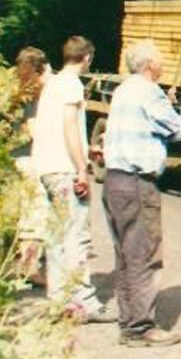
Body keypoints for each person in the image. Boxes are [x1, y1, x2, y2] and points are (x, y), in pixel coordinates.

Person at [103, 39, 181, 348]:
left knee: (126, 255)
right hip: (138, 183)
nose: (163, 65)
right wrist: (176, 109)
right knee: (144, 254)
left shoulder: (124, 89)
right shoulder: (150, 92)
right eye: (161, 60)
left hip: (114, 181)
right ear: (150, 65)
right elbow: (178, 130)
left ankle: (129, 322)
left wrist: (164, 102)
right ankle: (141, 328)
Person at [31, 35, 115, 322]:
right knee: (77, 236)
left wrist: (85, 148)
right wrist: (82, 167)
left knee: (56, 237)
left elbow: (54, 129)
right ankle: (85, 303)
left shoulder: (52, 84)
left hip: (46, 168)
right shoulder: (71, 85)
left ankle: (58, 301)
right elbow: (68, 128)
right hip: (65, 170)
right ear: (87, 58)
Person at [12, 46, 52, 288]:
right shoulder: (36, 94)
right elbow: (34, 128)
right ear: (39, 67)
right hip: (31, 158)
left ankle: (21, 263)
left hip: (15, 157)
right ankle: (30, 268)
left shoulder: (16, 90)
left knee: (23, 214)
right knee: (35, 214)